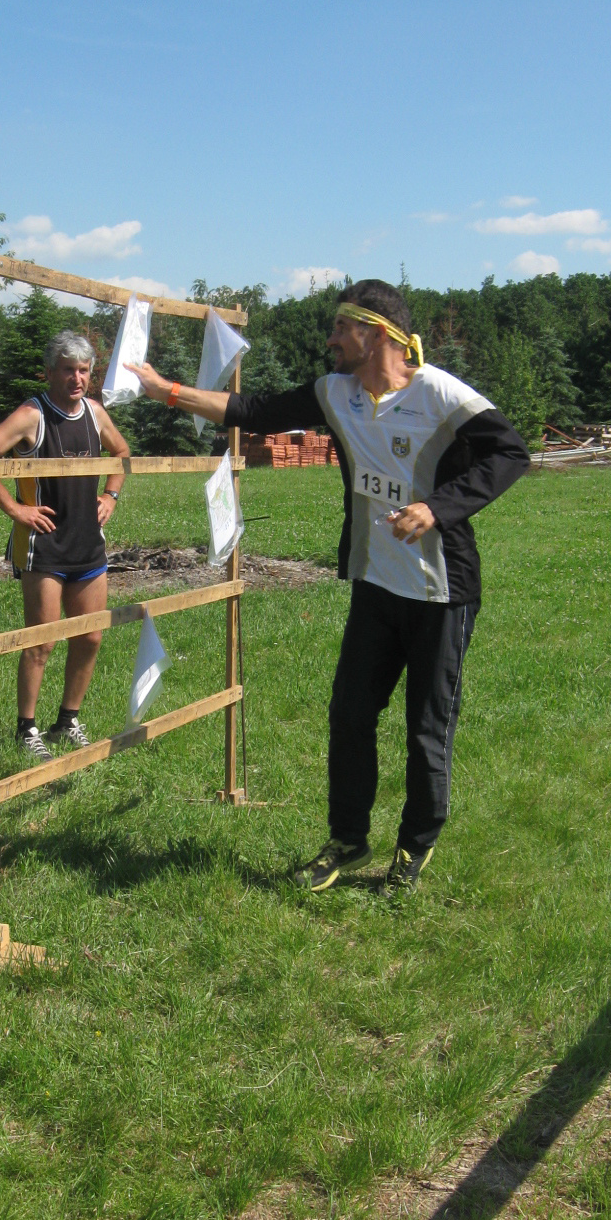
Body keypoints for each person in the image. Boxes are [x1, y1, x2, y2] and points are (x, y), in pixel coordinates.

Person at [127, 279, 530, 894]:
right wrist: (169, 392)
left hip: (441, 592)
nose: (331, 339)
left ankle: (413, 849)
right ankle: (347, 838)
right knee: (349, 717)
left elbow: (510, 453)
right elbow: (252, 411)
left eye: (342, 328)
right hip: (374, 585)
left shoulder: (438, 392)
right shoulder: (334, 394)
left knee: (427, 728)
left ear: (376, 333)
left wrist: (440, 508)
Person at [0, 330, 131, 760]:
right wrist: (16, 509)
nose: (77, 378)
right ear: (50, 372)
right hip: (44, 548)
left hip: (88, 547)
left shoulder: (94, 412)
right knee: (42, 642)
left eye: (84, 370)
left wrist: (111, 495)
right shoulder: (32, 415)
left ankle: (67, 720)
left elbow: (122, 452)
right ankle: (26, 729)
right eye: (68, 370)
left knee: (89, 638)